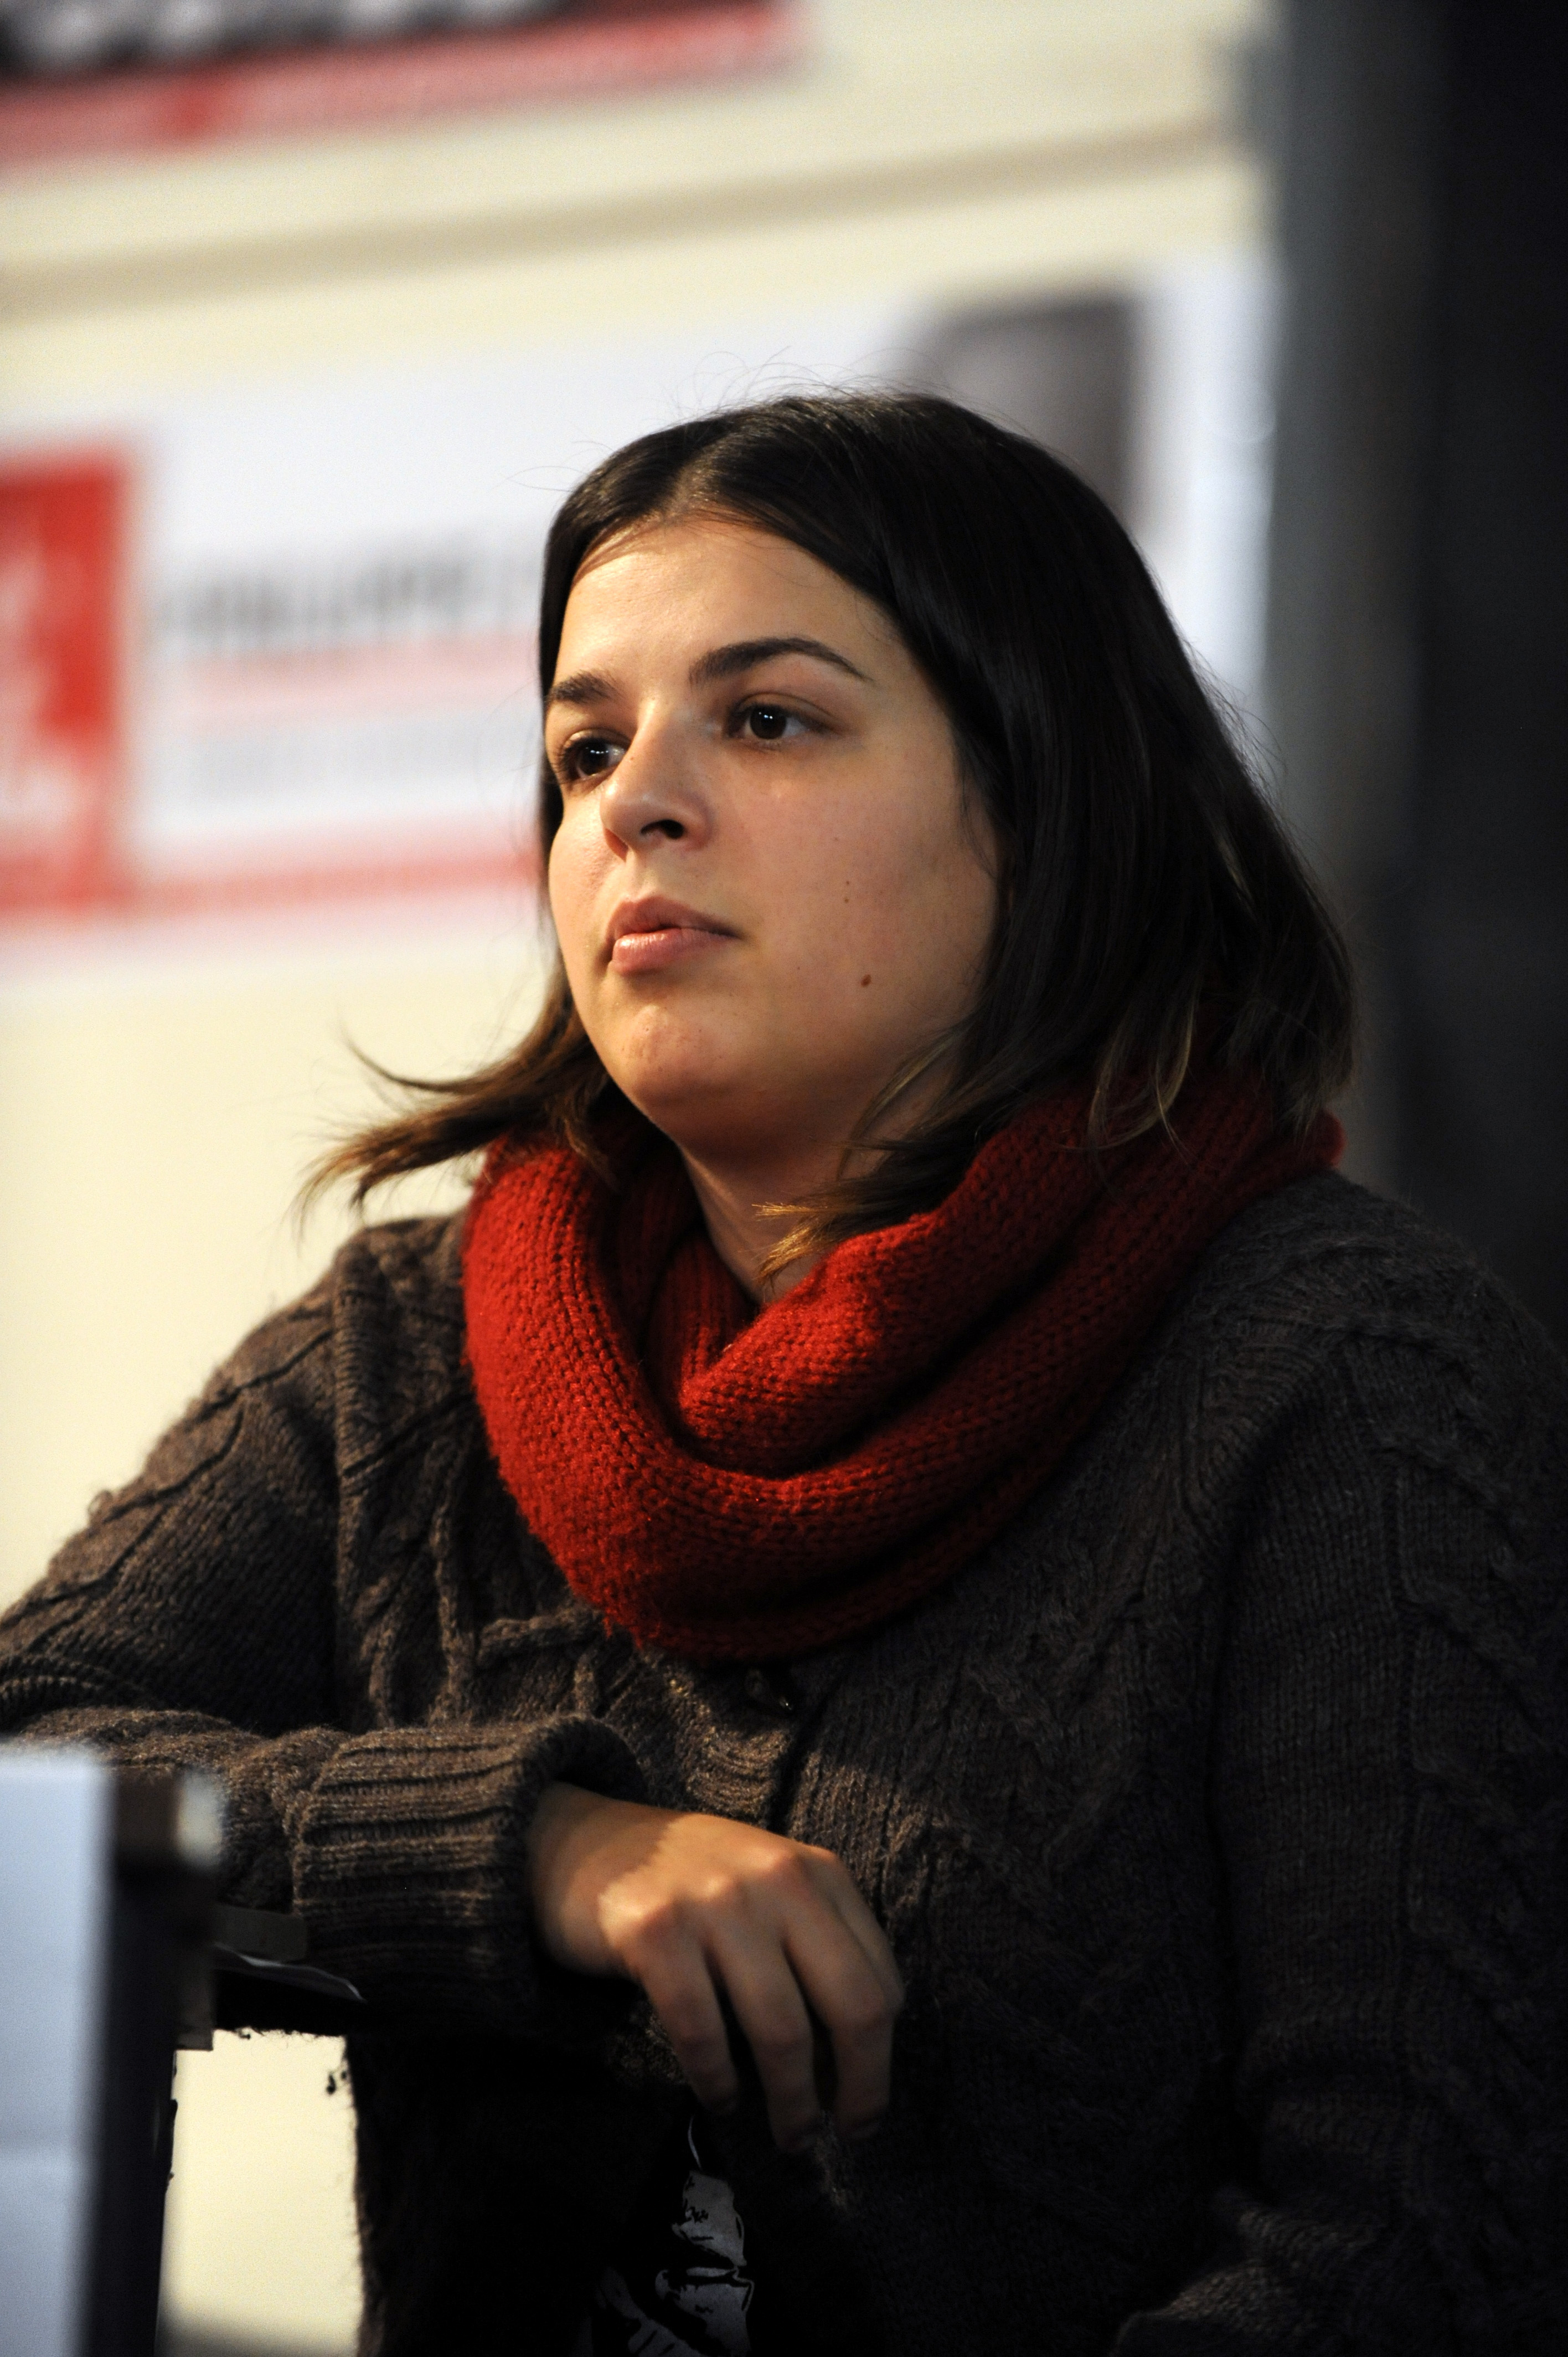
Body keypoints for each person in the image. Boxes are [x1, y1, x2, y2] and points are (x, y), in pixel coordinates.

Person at [1, 392, 1563, 2357]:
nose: (634, 806)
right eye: (585, 749)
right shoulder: (407, 1346)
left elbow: (1411, 2255)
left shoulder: (1352, 1371)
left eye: (766, 719)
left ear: (1048, 804)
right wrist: (538, 1849)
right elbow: (25, 1763)